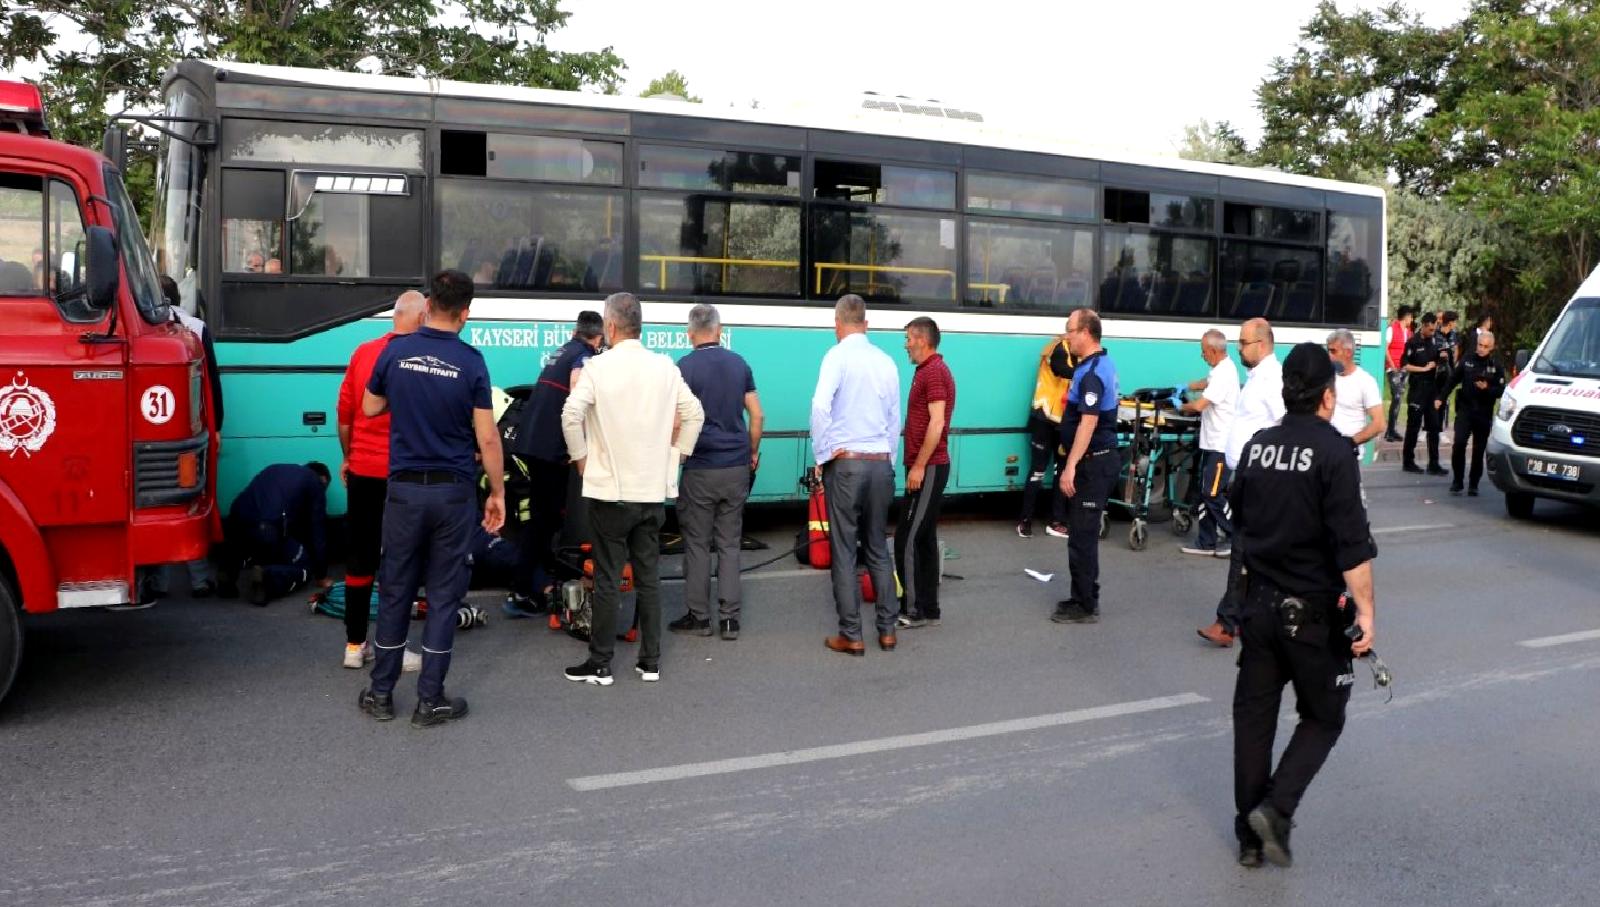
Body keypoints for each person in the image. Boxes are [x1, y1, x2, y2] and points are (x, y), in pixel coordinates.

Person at [1229, 342, 1377, 869]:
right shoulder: (1336, 452)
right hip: (1312, 615)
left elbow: (1238, 517)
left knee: (1253, 721)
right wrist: (1366, 616)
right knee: (1324, 716)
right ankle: (1275, 809)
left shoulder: (1257, 447)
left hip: (1260, 607)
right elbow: (1352, 547)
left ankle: (1249, 841)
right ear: (1328, 397)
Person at [358, 270, 505, 728]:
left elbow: (369, 408)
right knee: (443, 595)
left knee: (397, 587)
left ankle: (381, 694)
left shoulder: (394, 352)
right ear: (465, 313)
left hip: (403, 490)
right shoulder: (472, 362)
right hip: (452, 492)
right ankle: (430, 701)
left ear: (427, 307)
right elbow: (488, 437)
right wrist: (497, 491)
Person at [561, 292, 704, 685]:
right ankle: (650, 661)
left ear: (609, 326)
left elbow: (571, 414)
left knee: (608, 578)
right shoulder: (665, 367)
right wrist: (676, 458)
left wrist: (582, 460)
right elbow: (694, 414)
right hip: (651, 493)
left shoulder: (597, 367)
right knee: (649, 577)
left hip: (610, 493)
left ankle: (601, 663)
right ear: (640, 324)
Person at [335, 289, 426, 670]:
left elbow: (344, 415)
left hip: (363, 471)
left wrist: (348, 458)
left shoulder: (363, 352)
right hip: (403, 475)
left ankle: (355, 646)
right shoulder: (423, 358)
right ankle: (395, 646)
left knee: (360, 556)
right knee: (399, 559)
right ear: (421, 318)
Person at [812, 295, 902, 656]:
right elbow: (895, 419)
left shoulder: (836, 356)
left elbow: (820, 406)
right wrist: (889, 462)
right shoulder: (886, 360)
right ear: (865, 323)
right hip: (880, 463)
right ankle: (887, 630)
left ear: (837, 323)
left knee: (846, 551)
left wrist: (823, 453)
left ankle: (852, 634)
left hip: (846, 464)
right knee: (878, 547)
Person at [671, 303, 763, 641]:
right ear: (720, 331)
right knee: (729, 543)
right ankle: (729, 620)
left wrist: (674, 458)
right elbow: (758, 415)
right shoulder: (739, 364)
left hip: (700, 468)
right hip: (736, 465)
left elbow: (677, 420)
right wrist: (751, 451)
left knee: (696, 543)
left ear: (690, 333)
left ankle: (699, 617)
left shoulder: (684, 367)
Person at [504, 310, 604, 617]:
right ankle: (522, 592)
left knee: (541, 518)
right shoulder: (584, 357)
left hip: (532, 444)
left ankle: (540, 582)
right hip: (550, 449)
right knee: (544, 520)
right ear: (598, 337)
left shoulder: (563, 350)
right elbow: (578, 391)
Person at [1198, 318, 1282, 647]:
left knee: (1243, 552)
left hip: (1259, 481)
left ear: (1261, 345)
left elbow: (1283, 423)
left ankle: (1228, 621)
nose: (1239, 348)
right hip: (1248, 478)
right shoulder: (1257, 377)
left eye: (1244, 342)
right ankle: (1246, 619)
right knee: (1250, 556)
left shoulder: (1271, 379)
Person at [1051, 308, 1118, 625]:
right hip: (1094, 461)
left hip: (1093, 463)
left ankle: (1086, 605)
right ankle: (1082, 595)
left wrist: (1070, 466)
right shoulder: (1096, 364)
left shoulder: (1091, 373)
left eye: (1070, 330)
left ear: (1086, 333)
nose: (1066, 336)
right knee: (1081, 534)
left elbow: (1088, 423)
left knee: (1082, 537)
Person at [160, 275, 223, 598]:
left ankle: (154, 583)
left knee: (157, 503)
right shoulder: (196, 327)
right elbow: (211, 380)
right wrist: (217, 428)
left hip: (153, 427)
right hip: (193, 429)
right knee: (191, 501)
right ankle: (199, 579)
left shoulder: (143, 322)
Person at [896, 317, 956, 629]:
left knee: (907, 538)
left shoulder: (933, 372)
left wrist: (918, 466)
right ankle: (929, 607)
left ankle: (913, 608)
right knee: (925, 538)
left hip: (929, 467)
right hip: (928, 465)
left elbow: (937, 422)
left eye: (908, 338)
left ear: (922, 339)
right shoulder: (929, 371)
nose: (905, 344)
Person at [228, 462, 331, 606]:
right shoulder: (315, 482)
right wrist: (321, 575)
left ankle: (226, 576)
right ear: (323, 479)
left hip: (237, 518)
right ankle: (267, 577)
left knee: (243, 543)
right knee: (304, 565)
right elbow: (318, 533)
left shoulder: (274, 469)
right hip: (267, 529)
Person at [1179, 329, 1238, 557]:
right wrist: (1188, 386)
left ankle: (1236, 537)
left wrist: (1179, 405)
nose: (1202, 356)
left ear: (1214, 351)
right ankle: (1206, 541)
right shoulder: (1219, 370)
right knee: (1205, 493)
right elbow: (1207, 383)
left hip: (1221, 447)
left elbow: (1199, 406)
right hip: (1211, 443)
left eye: (1204, 352)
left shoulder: (1224, 373)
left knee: (1213, 494)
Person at [1017, 330, 1076, 539]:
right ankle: (1025, 520)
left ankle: (1057, 522)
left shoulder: (1074, 351)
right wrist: (1090, 368)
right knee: (1038, 471)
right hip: (1044, 420)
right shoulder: (1058, 349)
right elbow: (1062, 370)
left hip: (1062, 422)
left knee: (1062, 471)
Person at [1439, 329, 1505, 496]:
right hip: (1465, 409)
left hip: (1483, 412)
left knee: (1478, 449)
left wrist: (1488, 388)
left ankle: (1473, 483)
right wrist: (1441, 397)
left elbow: (1501, 390)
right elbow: (1453, 379)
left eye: (1485, 346)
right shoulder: (1468, 359)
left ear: (1492, 347)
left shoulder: (1495, 365)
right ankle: (1457, 481)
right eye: (1479, 345)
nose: (1481, 349)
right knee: (1459, 444)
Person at [1326, 329, 1386, 502]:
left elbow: (1379, 423)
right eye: (1328, 351)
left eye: (1333, 351)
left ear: (1349, 352)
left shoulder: (1365, 382)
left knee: (1348, 504)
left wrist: (1349, 443)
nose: (1329, 356)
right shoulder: (1327, 378)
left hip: (1348, 456)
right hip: (1325, 452)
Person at [1401, 312, 1448, 475]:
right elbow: (1404, 365)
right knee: (1413, 425)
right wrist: (1422, 369)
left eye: (1434, 329)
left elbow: (1441, 357)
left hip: (1432, 388)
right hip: (1417, 388)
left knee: (1434, 426)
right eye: (1430, 329)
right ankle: (1408, 461)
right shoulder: (1413, 342)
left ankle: (1433, 463)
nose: (1432, 332)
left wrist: (1442, 357)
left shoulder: (1436, 340)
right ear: (1423, 326)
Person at [1383, 305, 1413, 442]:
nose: (1411, 320)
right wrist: (1392, 365)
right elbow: (1385, 348)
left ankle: (1392, 429)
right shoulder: (1391, 329)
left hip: (1404, 369)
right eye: (1411, 317)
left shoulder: (1409, 332)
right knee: (1396, 396)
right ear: (1406, 317)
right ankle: (1389, 430)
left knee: (1399, 398)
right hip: (1393, 368)